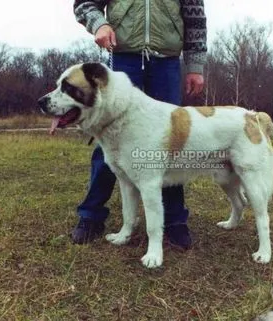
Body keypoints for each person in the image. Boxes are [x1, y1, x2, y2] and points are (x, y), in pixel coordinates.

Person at [72, 0, 207, 249]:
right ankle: (91, 216)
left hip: (166, 62)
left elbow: (195, 17)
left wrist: (195, 64)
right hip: (123, 58)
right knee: (109, 138)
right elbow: (84, 4)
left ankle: (174, 222)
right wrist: (99, 24)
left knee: (171, 142)